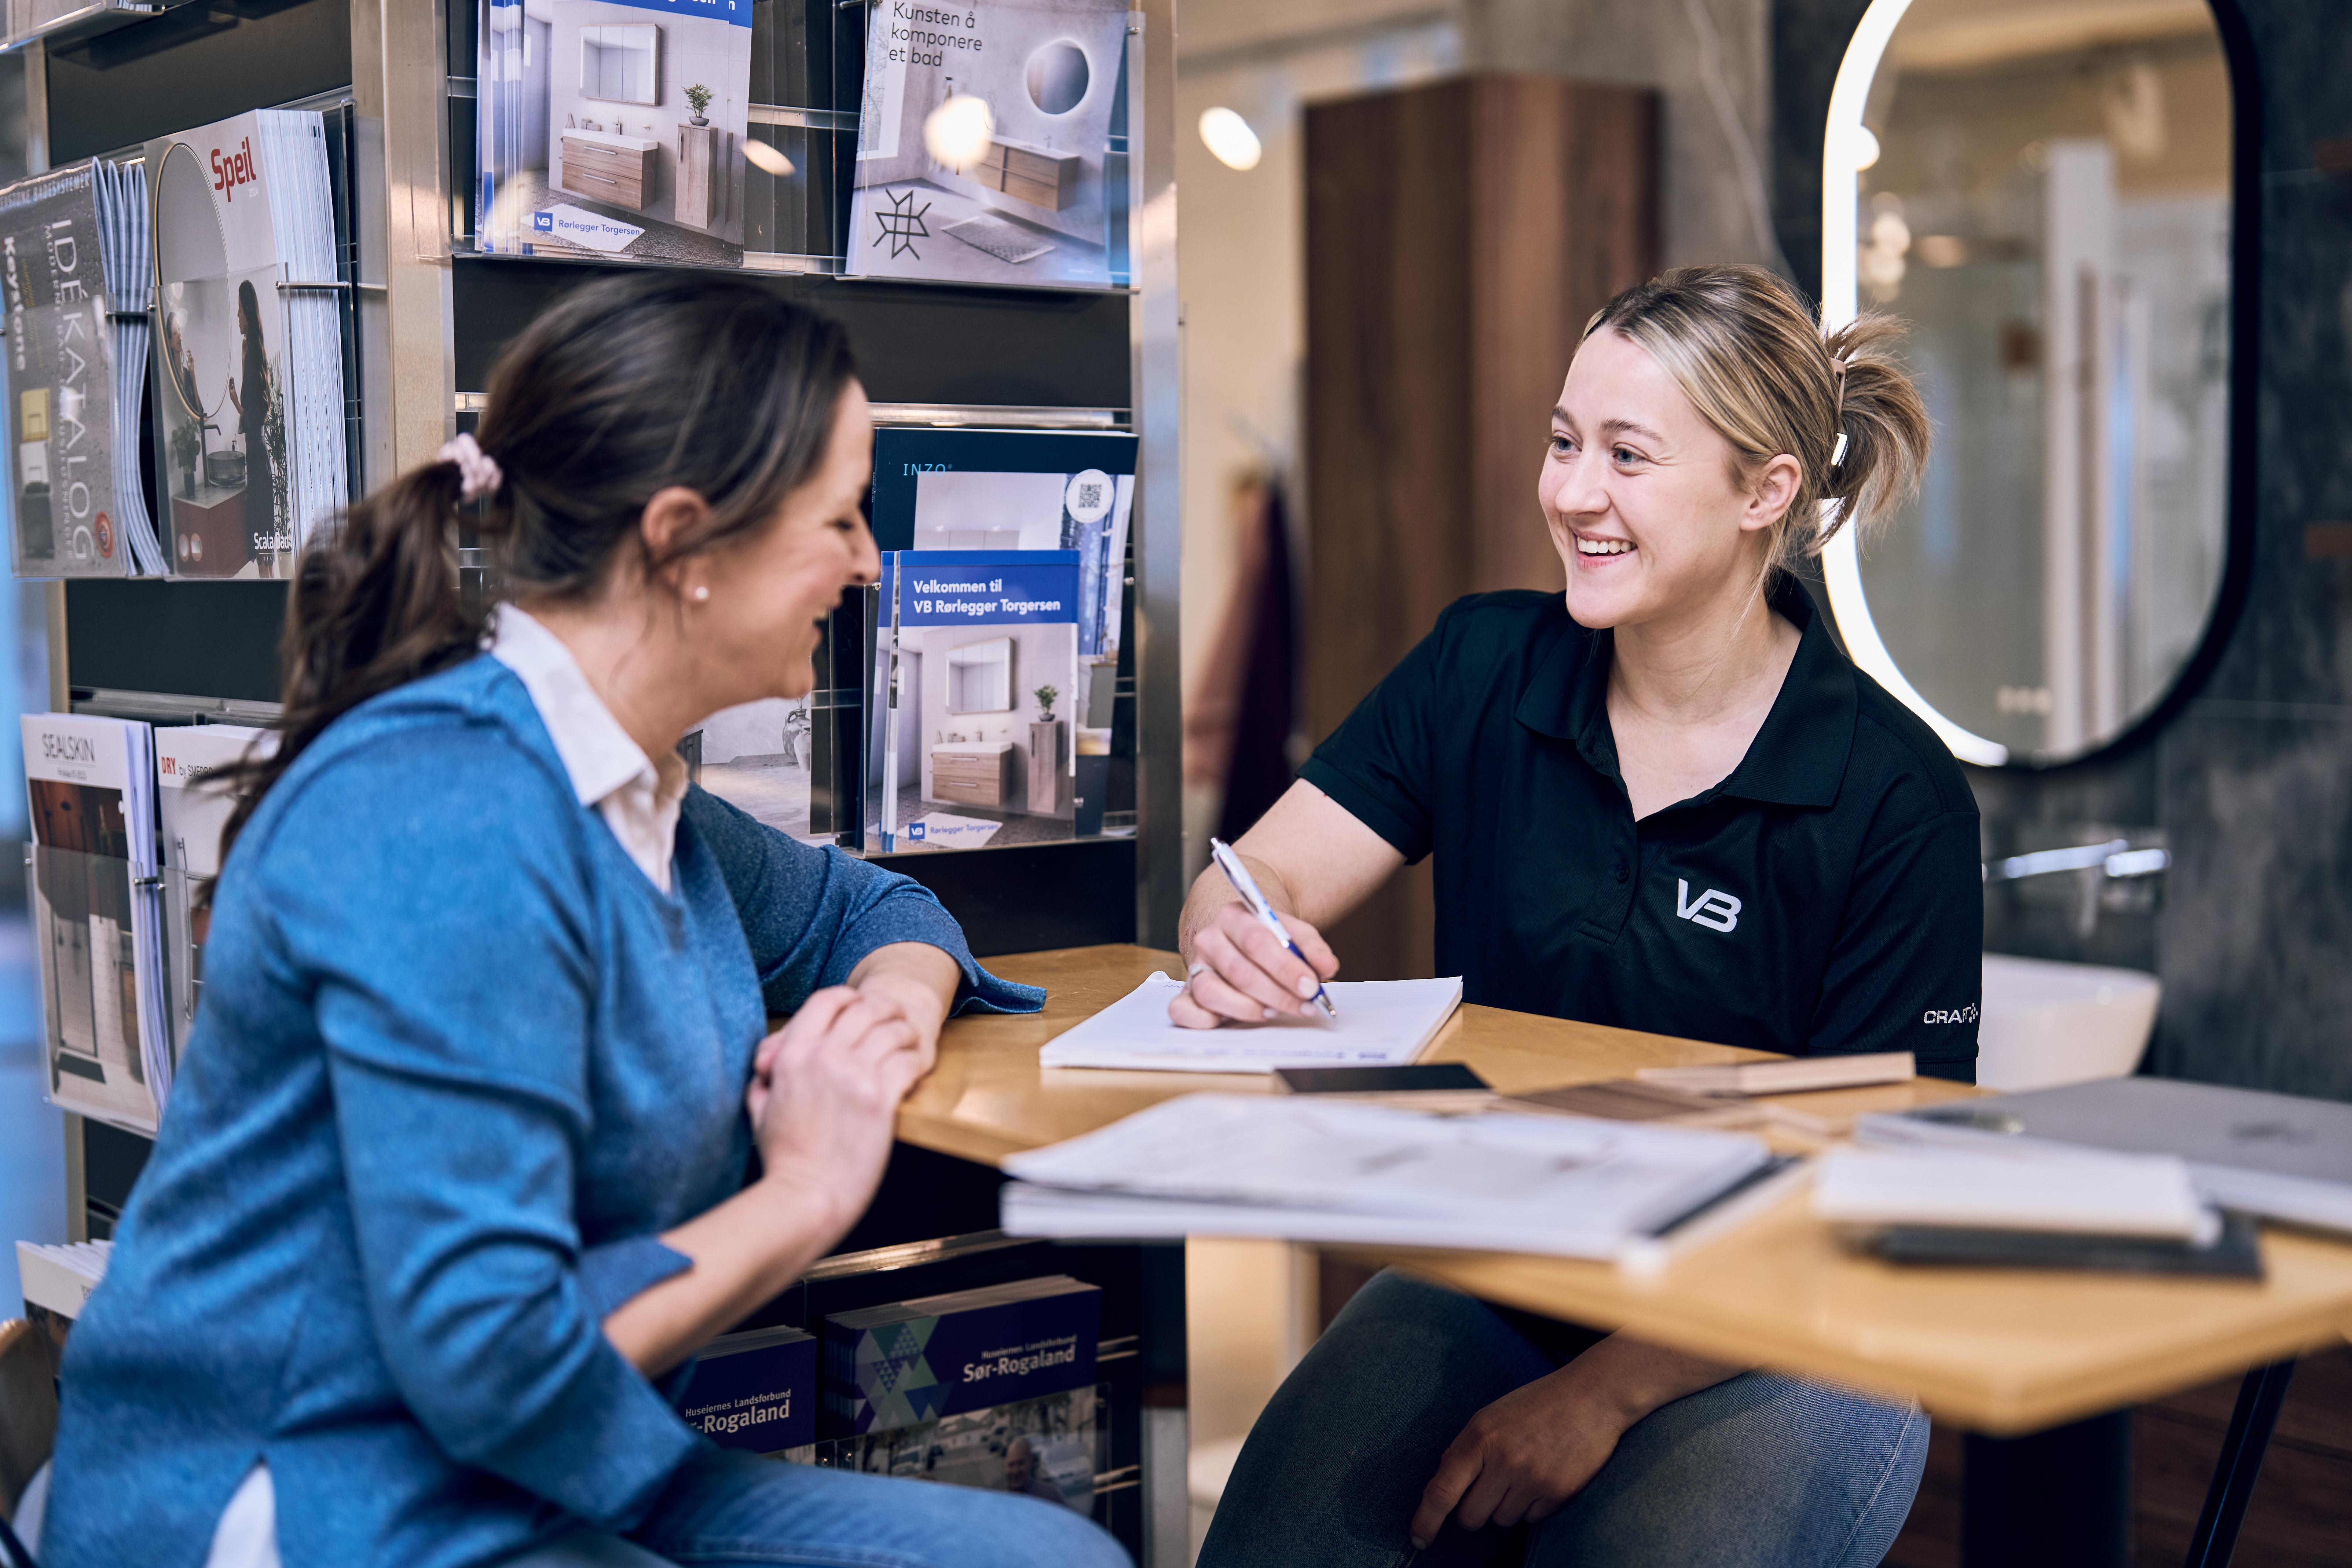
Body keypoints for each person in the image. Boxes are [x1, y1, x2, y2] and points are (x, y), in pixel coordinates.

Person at [38, 274, 1130, 1568]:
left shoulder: (638, 796)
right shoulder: (444, 816)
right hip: (320, 1489)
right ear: (683, 544)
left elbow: (874, 905)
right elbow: (494, 1357)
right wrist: (809, 1187)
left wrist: (882, 1013)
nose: (866, 561)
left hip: (556, 1453)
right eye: (838, 516)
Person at [1183, 264, 1970, 1568]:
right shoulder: (1482, 666)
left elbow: (1878, 1187)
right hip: (1515, 1263)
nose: (1570, 492)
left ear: (1764, 491)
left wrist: (1597, 1396)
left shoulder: (1888, 793)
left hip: (1787, 1312)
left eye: (1627, 454)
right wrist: (1231, 930)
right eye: (1563, 442)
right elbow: (1253, 875)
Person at [223, 278, 279, 569]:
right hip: (259, 458)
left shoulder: (255, 352)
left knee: (262, 549)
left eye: (239, 310)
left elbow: (252, 418)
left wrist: (236, 401)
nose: (237, 316)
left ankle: (267, 591)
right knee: (264, 552)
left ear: (246, 309)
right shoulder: (254, 349)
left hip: (257, 461)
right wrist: (237, 394)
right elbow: (255, 411)